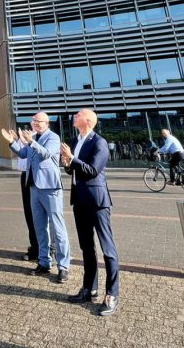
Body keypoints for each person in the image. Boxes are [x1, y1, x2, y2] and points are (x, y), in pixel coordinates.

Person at [60, 109, 120, 317]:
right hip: (79, 201)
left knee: (107, 249)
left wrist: (72, 159)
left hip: (97, 201)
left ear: (87, 120)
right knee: (87, 247)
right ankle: (89, 289)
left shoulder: (99, 142)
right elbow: (74, 169)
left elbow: (93, 170)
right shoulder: (76, 141)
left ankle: (112, 294)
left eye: (78, 115)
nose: (74, 117)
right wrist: (67, 163)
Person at [2, 112, 70, 283]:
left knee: (58, 227)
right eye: (33, 121)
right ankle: (44, 262)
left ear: (46, 123)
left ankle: (63, 266)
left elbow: (46, 154)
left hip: (50, 187)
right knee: (40, 227)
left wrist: (31, 142)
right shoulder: (35, 138)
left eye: (38, 121)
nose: (35, 124)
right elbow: (23, 154)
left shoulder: (53, 137)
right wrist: (11, 141)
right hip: (33, 187)